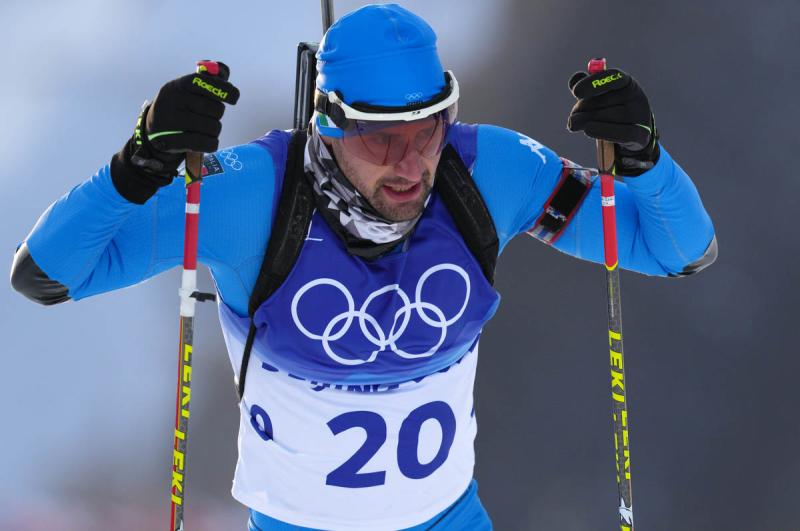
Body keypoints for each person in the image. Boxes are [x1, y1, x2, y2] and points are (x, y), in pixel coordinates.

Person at [10, 4, 716, 530]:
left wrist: (646, 158)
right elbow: (47, 274)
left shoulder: (488, 172)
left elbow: (678, 250)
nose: (411, 165)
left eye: (429, 128)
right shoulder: (251, 195)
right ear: (330, 123)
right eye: (382, 141)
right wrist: (136, 167)